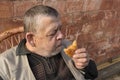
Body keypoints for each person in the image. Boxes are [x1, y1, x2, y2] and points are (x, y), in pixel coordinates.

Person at [0, 5, 98, 80]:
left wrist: (84, 66)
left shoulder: (67, 46)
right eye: (53, 33)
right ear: (31, 38)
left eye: (60, 29)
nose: (61, 36)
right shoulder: (5, 64)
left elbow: (92, 75)